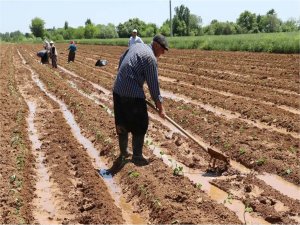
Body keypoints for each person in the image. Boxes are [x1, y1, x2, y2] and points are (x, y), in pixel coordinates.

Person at [113, 34, 168, 166]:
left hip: (117, 89)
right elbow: (153, 85)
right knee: (140, 123)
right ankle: (137, 156)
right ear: (156, 45)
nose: (163, 53)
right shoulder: (150, 58)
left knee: (122, 122)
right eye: (163, 49)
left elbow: (121, 59)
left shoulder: (136, 46)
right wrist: (161, 107)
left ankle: (124, 152)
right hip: (132, 93)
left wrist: (124, 79)